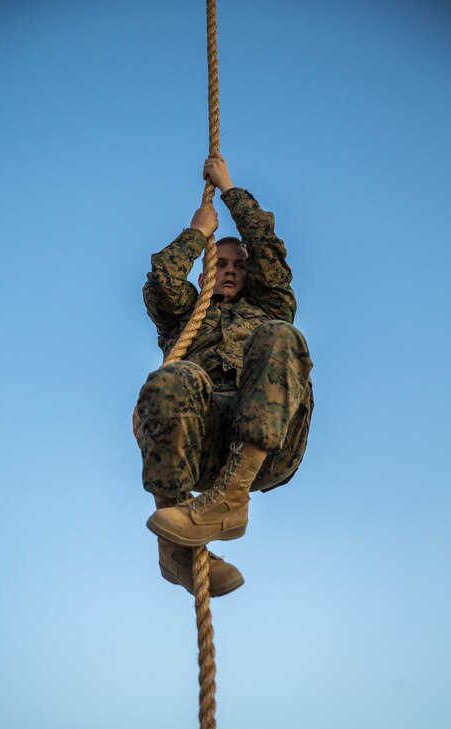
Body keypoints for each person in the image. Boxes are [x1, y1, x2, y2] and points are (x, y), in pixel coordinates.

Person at [134, 152, 314, 597]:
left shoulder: (268, 305)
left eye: (239, 265)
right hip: (204, 443)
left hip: (267, 446)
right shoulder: (184, 316)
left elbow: (269, 251)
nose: (230, 270)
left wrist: (230, 189)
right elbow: (161, 283)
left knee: (280, 335)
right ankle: (175, 547)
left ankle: (233, 499)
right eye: (222, 264)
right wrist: (198, 232)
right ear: (207, 272)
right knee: (169, 380)